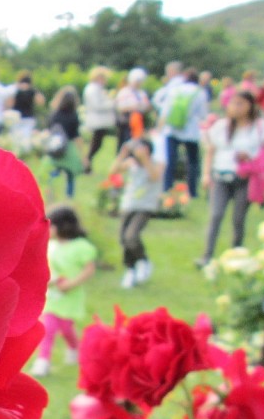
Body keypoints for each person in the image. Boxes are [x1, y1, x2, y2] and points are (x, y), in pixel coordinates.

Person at [197, 91, 264, 266]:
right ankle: (207, 256)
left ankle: (236, 255)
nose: (236, 108)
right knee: (216, 215)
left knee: (238, 218)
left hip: (245, 178)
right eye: (233, 104)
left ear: (250, 106)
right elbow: (211, 151)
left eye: (240, 104)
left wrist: (253, 159)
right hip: (221, 176)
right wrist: (206, 174)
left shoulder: (259, 127)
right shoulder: (220, 126)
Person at [29, 206, 97, 377]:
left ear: (62, 226)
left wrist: (71, 283)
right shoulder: (51, 246)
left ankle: (74, 348)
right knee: (48, 327)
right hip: (52, 295)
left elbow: (89, 269)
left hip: (69, 296)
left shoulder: (80, 247)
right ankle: (43, 361)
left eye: (50, 225)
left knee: (66, 328)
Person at [110, 137, 166, 288]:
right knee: (123, 238)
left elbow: (155, 177)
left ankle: (143, 261)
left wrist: (145, 159)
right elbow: (113, 171)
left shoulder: (156, 164)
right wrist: (123, 154)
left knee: (131, 235)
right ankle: (131, 269)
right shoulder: (131, 164)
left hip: (145, 206)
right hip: (129, 204)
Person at [159, 68, 208, 197]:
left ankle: (167, 186)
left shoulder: (175, 90)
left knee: (170, 160)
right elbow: (203, 114)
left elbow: (165, 109)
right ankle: (192, 190)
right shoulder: (200, 92)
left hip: (172, 128)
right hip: (190, 131)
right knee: (192, 161)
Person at [46, 86, 86, 198]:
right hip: (69, 148)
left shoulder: (54, 115)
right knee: (70, 174)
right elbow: (76, 136)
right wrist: (82, 154)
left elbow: (49, 130)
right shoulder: (73, 116)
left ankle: (49, 191)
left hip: (56, 146)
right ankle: (69, 195)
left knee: (54, 172)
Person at [82, 66, 116, 173]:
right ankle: (86, 164)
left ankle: (87, 164)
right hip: (97, 120)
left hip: (100, 120)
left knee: (97, 144)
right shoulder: (93, 89)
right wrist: (111, 103)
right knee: (96, 144)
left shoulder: (97, 89)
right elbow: (97, 105)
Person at [115, 68, 150, 150]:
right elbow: (120, 107)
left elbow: (147, 105)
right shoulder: (124, 92)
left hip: (139, 119)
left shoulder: (141, 93)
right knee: (125, 142)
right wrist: (134, 107)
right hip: (127, 121)